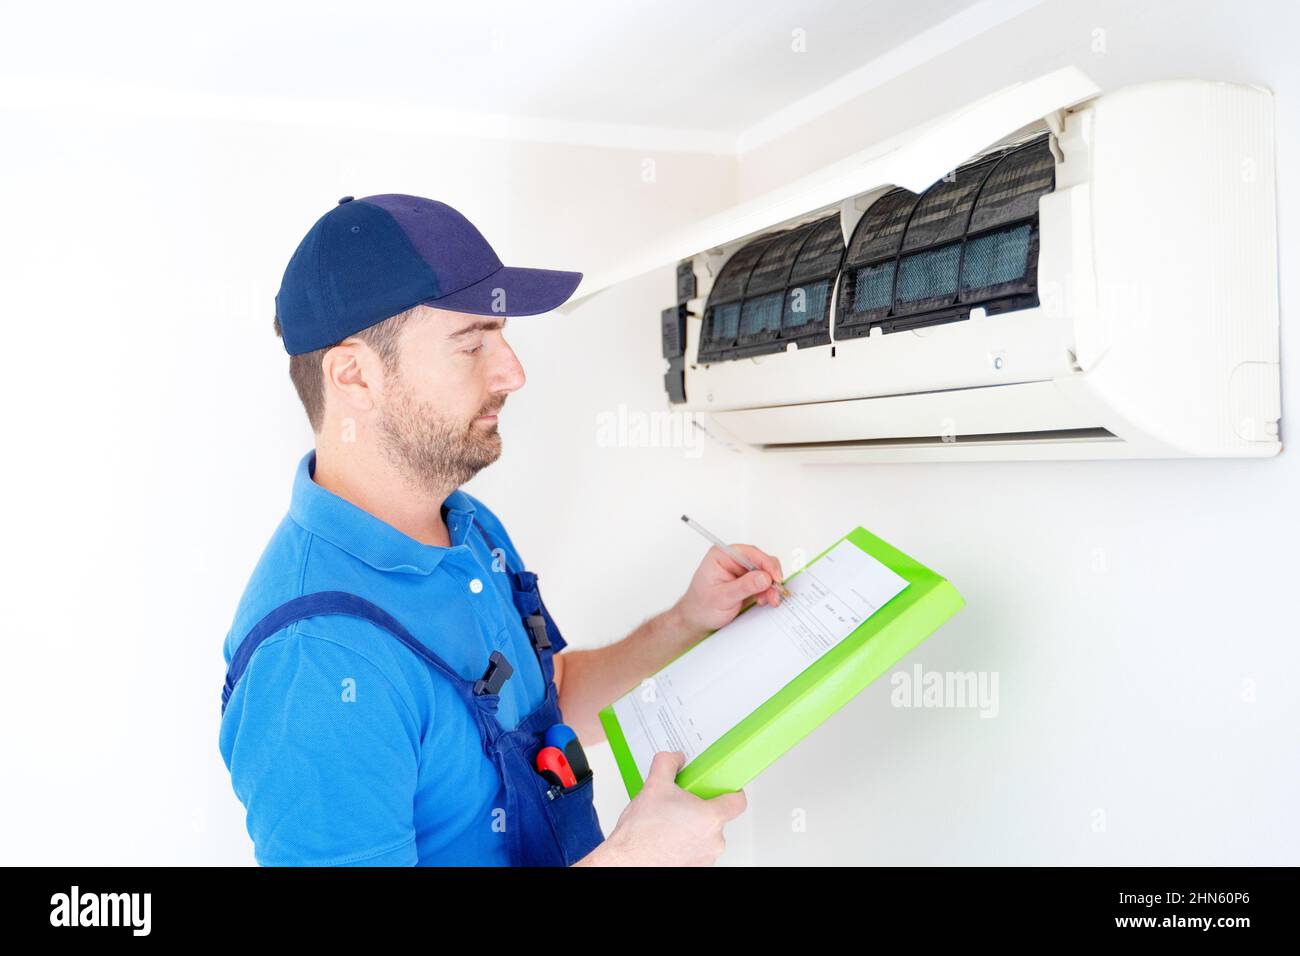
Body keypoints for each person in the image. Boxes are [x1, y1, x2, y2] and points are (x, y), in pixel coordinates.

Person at [218, 193, 785, 866]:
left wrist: (687, 621)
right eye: (471, 344)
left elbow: (544, 703)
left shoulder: (465, 525)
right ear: (353, 375)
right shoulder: (315, 661)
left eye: (502, 337)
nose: (513, 372)